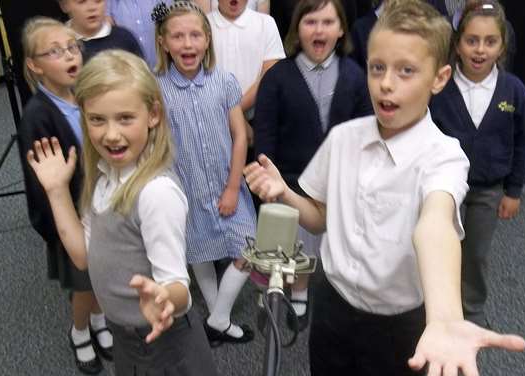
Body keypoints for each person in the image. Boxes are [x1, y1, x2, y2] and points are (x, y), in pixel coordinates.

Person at [244, 1, 525, 375]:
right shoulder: (342, 139)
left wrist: (444, 316)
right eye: (378, 67)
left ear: (439, 78)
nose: (387, 83)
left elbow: (436, 226)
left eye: (406, 71)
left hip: (400, 323)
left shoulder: (444, 156)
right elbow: (320, 218)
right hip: (333, 307)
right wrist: (286, 193)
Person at [25, 49, 218, 376]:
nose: (110, 134)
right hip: (124, 335)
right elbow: (84, 256)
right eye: (97, 119)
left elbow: (179, 289)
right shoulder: (103, 178)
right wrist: (57, 191)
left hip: (163, 340)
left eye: (125, 118)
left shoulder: (156, 193)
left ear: (153, 115)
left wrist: (165, 298)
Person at [255, 0, 372, 330]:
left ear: (340, 30)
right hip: (288, 179)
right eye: (310, 22)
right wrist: (267, 174)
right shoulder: (278, 77)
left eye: (327, 22)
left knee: (321, 244)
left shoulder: (355, 76)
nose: (319, 30)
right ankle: (286, 293)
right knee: (288, 245)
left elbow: (365, 132)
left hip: (336, 181)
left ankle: (313, 291)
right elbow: (264, 131)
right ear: (297, 30)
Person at [153, 1, 257, 346]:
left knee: (248, 247)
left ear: (207, 39)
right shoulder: (156, 90)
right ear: (164, 42)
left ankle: (217, 318)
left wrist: (232, 187)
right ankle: (219, 320)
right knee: (200, 253)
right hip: (186, 189)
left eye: (195, 35)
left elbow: (240, 135)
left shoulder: (224, 81)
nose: (187, 44)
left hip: (228, 184)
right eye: (178, 36)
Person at [430, 0, 525, 328]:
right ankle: (433, 308)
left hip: (488, 191)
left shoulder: (513, 91)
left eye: (490, 42)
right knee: (438, 247)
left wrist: (513, 191)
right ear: (457, 44)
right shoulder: (440, 87)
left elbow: (523, 141)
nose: (480, 50)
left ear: (502, 46)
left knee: (475, 254)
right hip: (444, 189)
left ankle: (471, 311)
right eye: (471, 40)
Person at [16, 17, 111, 375]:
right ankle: (80, 330)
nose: (69, 55)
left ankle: (100, 322)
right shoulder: (37, 118)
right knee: (84, 284)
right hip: (68, 219)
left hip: (100, 208)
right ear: (35, 65)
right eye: (55, 51)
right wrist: (55, 232)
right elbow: (41, 187)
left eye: (72, 47)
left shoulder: (84, 97)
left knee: (101, 274)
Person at [207, 0, 285, 154]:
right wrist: (233, 116)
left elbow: (269, 74)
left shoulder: (266, 23)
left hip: (258, 120)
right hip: (212, 120)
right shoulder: (203, 24)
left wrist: (234, 111)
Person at [57, 0, 143, 61]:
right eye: (82, 1)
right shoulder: (58, 44)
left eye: (98, 1)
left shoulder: (124, 38)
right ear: (64, 5)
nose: (92, 8)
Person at [106, 0, 173, 68]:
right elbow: (110, 39)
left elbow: (172, 29)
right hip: (129, 72)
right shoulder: (110, 3)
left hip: (164, 71)